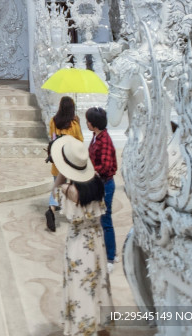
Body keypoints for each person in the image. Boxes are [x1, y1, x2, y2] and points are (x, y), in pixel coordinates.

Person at [50, 135, 112, 336]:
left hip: (78, 243)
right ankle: (97, 322)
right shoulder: (97, 185)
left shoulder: (69, 190)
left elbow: (55, 189)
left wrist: (61, 168)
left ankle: (80, 326)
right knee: (96, 281)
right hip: (96, 239)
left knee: (79, 284)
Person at [85, 106, 117, 270]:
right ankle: (104, 251)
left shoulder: (104, 140)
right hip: (98, 183)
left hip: (105, 184)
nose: (87, 123)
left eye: (88, 121)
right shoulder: (96, 136)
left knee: (105, 220)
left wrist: (90, 172)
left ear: (94, 124)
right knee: (97, 218)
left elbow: (105, 166)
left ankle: (111, 258)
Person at [46, 96, 84, 230]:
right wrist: (78, 124)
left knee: (57, 185)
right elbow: (80, 141)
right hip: (71, 160)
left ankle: (51, 209)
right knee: (72, 187)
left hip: (57, 159)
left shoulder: (53, 121)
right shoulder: (73, 124)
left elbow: (52, 137)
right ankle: (74, 214)